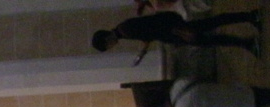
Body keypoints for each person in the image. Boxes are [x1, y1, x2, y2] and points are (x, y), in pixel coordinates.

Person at [91, 10, 259, 54]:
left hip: (174, 30)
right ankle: (248, 21)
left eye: (107, 46)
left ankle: (247, 39)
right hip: (173, 30)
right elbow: (150, 30)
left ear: (107, 40)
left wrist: (179, 32)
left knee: (213, 35)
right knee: (212, 28)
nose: (111, 47)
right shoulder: (123, 29)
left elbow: (155, 27)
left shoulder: (125, 31)